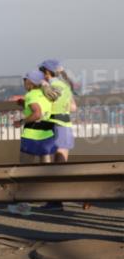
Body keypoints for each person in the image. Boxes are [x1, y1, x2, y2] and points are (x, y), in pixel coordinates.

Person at [38, 59, 77, 210]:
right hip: (66, 126)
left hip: (55, 126)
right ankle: (57, 200)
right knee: (61, 165)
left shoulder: (49, 86)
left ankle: (55, 201)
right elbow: (73, 107)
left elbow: (48, 100)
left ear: (46, 72)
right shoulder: (66, 86)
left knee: (52, 167)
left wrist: (43, 87)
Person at [18, 70, 58, 165]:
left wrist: (21, 122)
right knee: (46, 169)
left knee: (24, 168)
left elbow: (37, 114)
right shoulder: (47, 94)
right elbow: (43, 108)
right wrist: (24, 104)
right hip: (47, 134)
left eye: (24, 80)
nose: (23, 82)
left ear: (29, 82)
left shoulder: (30, 95)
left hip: (32, 135)